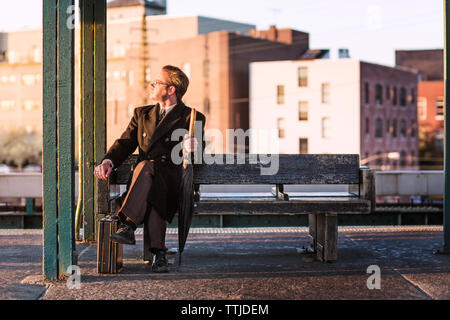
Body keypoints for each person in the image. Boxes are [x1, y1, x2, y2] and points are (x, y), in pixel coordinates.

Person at [94, 65, 206, 273]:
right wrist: (108, 160)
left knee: (149, 171)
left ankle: (127, 223)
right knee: (150, 178)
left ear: (171, 89)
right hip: (145, 180)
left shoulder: (192, 117)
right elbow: (125, 143)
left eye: (157, 82)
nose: (151, 84)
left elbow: (197, 160)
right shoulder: (142, 113)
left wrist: (194, 149)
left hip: (173, 181)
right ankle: (159, 254)